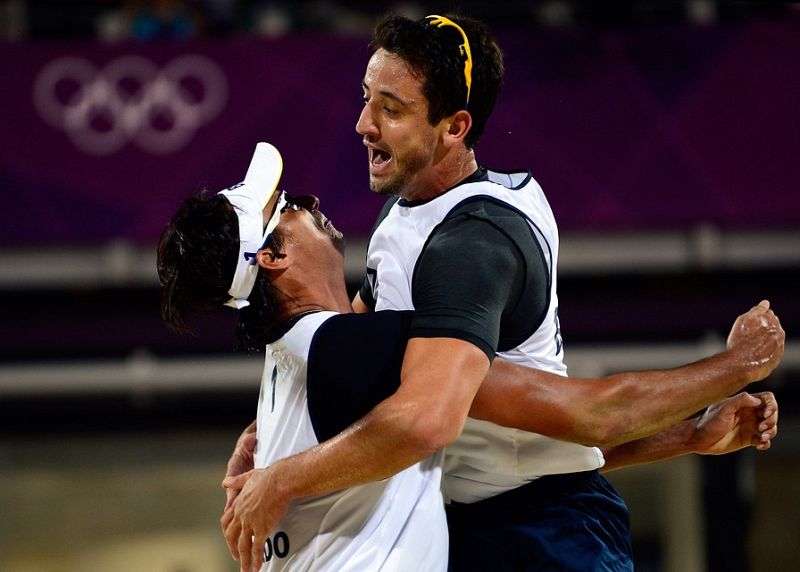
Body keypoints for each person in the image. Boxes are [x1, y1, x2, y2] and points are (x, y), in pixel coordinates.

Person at [217, 13, 786, 570]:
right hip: (465, 524)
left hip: (548, 539)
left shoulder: (473, 244)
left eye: (390, 109)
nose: (363, 123)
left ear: (455, 127)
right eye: (367, 97)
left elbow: (554, 419)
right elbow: (506, 437)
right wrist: (267, 434)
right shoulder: (402, 216)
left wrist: (741, 363)